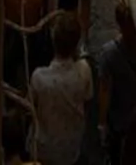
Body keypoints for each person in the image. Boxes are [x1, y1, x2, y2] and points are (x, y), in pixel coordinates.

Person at [29, 10, 93, 165]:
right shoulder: (84, 70)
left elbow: (30, 108)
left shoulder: (38, 77)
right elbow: (88, 99)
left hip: (44, 148)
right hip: (71, 147)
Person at [97, 0, 136, 164]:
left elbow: (105, 91)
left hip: (119, 117)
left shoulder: (109, 54)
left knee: (116, 152)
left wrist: (101, 123)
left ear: (118, 23)